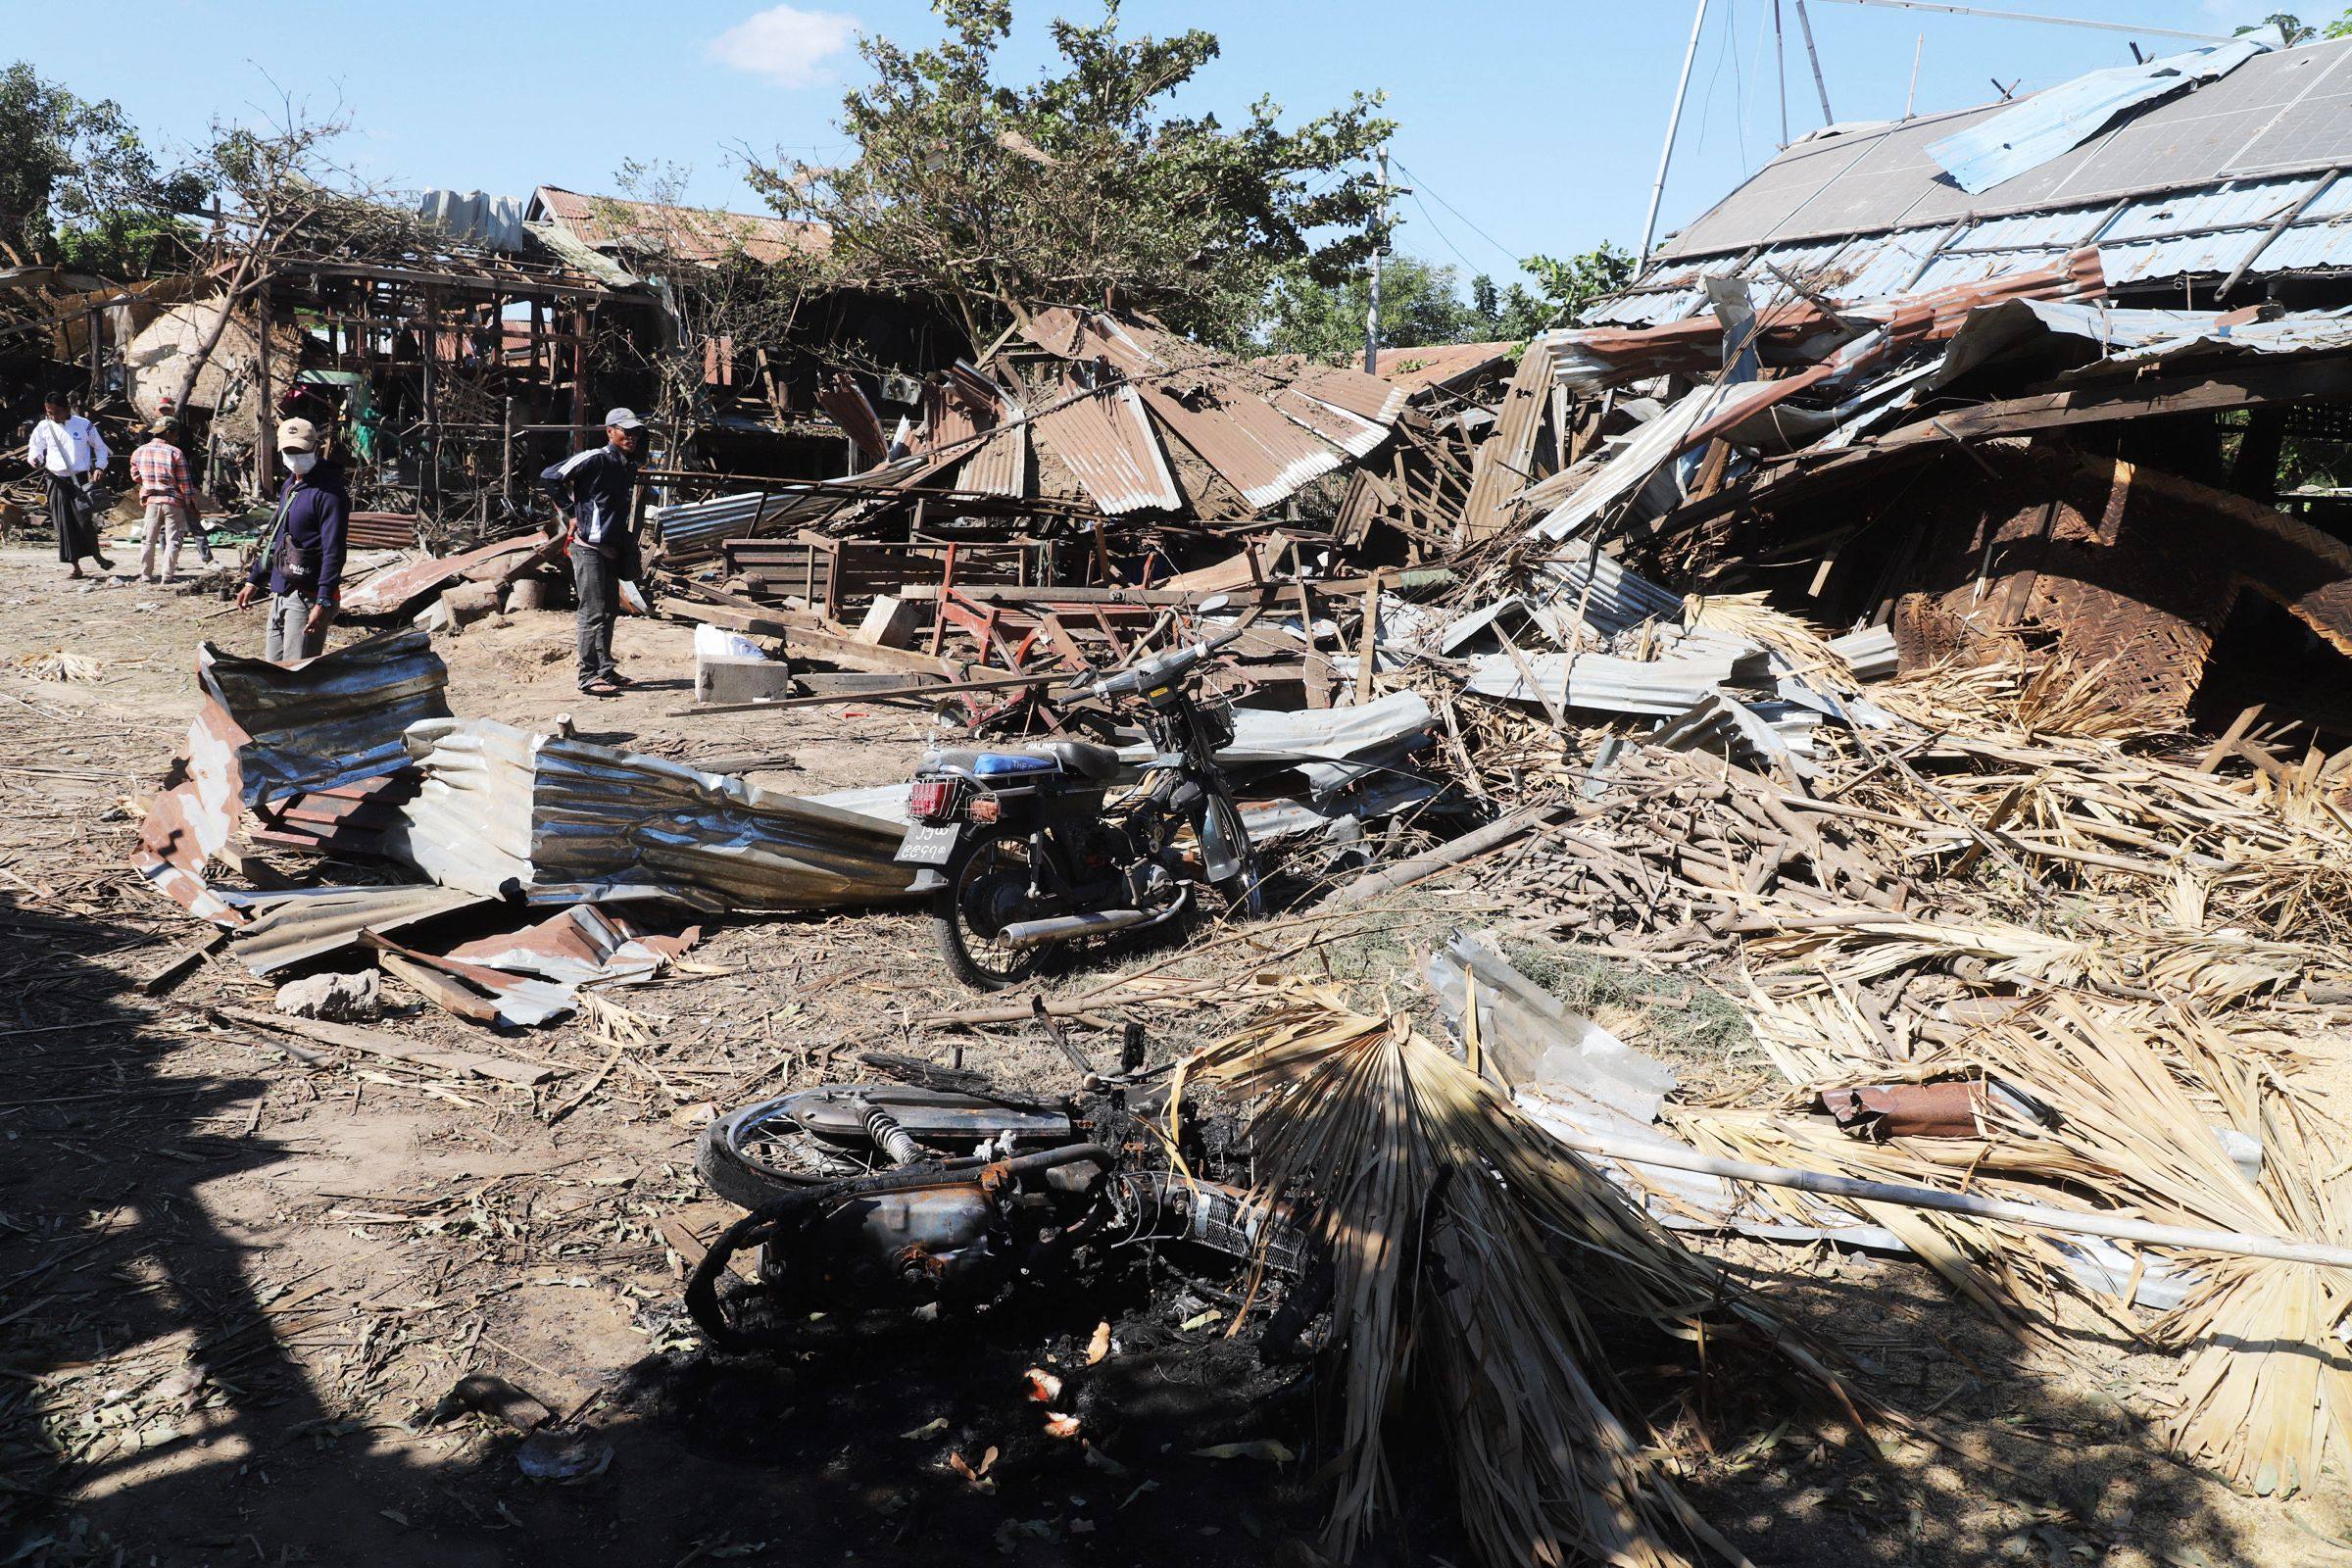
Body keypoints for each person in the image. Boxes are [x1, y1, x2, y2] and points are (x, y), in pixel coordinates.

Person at [540, 408, 646, 695]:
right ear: (610, 431)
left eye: (635, 431)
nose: (632, 437)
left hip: (612, 550)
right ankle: (588, 676)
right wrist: (573, 512)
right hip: (588, 549)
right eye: (626, 431)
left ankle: (605, 671)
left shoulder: (627, 465)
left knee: (609, 611)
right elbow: (551, 476)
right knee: (592, 612)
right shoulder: (595, 458)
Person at [234, 417, 349, 664]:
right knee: (274, 669)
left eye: (301, 451)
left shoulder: (329, 493)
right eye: (290, 451)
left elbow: (334, 551)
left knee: (297, 673)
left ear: (315, 448)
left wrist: (324, 600)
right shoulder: (290, 485)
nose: (295, 457)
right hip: (281, 590)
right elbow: (278, 537)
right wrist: (254, 579)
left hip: (307, 594)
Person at [25, 393, 112, 577]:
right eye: (49, 412)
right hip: (55, 479)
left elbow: (101, 448)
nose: (52, 416)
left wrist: (100, 466)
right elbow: (35, 448)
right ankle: (76, 567)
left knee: (84, 521)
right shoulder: (43, 426)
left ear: (66, 409)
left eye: (56, 412)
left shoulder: (83, 425)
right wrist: (35, 459)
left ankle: (98, 557)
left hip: (78, 480)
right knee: (63, 523)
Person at [129, 418, 198, 582]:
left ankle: (145, 575)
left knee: (148, 539)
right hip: (173, 502)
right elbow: (185, 484)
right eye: (175, 434)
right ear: (169, 433)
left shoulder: (139, 452)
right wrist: (190, 504)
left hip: (152, 501)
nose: (176, 438)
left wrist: (149, 483)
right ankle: (167, 575)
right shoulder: (175, 452)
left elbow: (135, 476)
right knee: (173, 539)